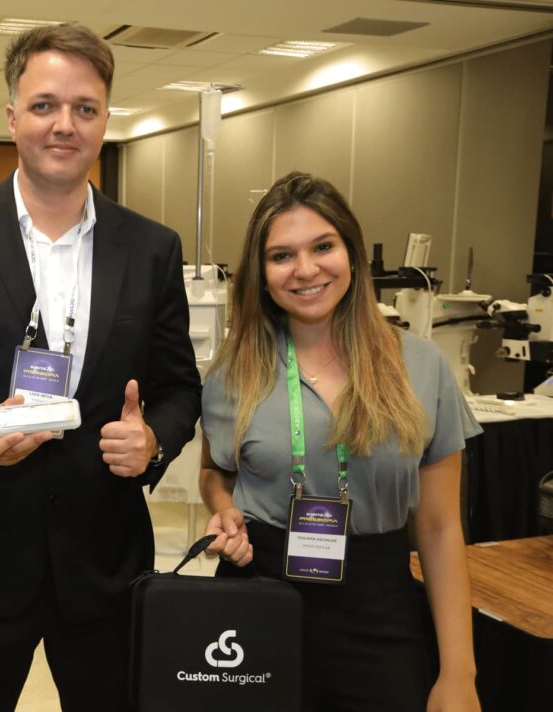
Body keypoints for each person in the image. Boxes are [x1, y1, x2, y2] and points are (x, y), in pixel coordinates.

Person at [0, 23, 202, 712]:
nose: (65, 124)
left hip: (105, 566)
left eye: (85, 108)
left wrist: (153, 439)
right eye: (44, 106)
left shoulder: (151, 248)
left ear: (105, 120)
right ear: (12, 117)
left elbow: (180, 386)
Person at [199, 172, 481, 712]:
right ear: (261, 273)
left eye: (323, 246)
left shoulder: (420, 367)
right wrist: (224, 511)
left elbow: (441, 528)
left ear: (352, 253)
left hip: (378, 609)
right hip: (257, 603)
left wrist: (458, 673)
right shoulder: (233, 373)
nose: (306, 269)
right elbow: (216, 472)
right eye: (282, 255)